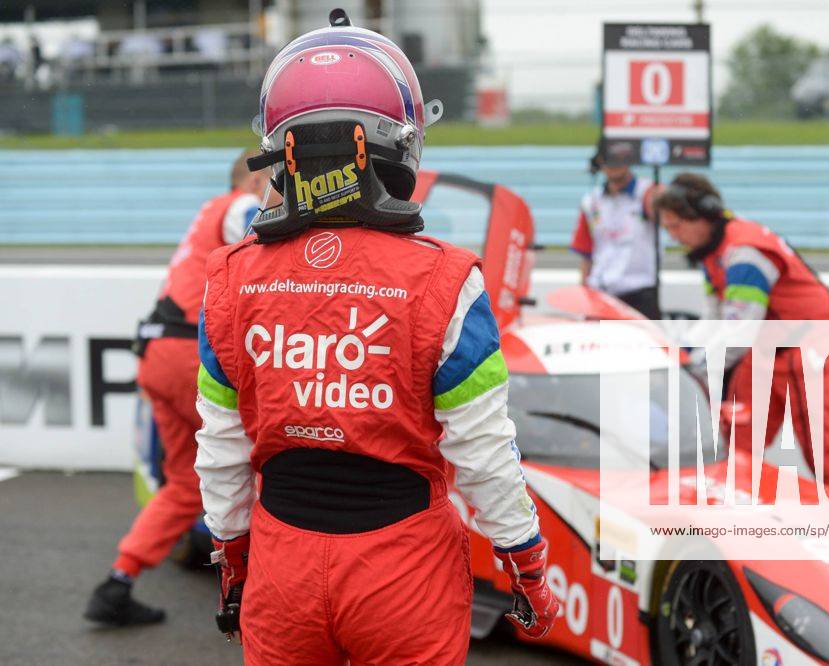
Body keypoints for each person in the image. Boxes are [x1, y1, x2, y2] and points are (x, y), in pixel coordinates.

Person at [194, 11, 559, 665]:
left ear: (279, 149)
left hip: (281, 567)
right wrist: (527, 567)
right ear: (400, 143)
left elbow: (220, 454)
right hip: (406, 571)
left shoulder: (228, 278)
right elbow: (483, 453)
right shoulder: (448, 278)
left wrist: (233, 564)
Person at [84, 150, 267, 626]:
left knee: (184, 482)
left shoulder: (209, 210)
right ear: (259, 178)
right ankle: (263, 594)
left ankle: (117, 583)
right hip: (189, 357)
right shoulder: (240, 206)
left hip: (159, 355)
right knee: (268, 459)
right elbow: (265, 252)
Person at [653, 172, 829, 491]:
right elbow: (714, 321)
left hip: (810, 349)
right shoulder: (712, 252)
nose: (673, 236)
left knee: (824, 455)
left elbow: (738, 334)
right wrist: (681, 356)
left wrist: (691, 371)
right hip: (768, 349)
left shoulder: (744, 254)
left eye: (676, 226)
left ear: (703, 216)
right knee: (730, 446)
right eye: (667, 228)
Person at [570, 141, 661, 319]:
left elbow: (665, 208)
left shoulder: (647, 192)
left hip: (640, 293)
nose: (614, 165)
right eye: (609, 159)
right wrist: (584, 298)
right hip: (601, 294)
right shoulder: (591, 201)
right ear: (599, 163)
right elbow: (586, 255)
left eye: (620, 159)